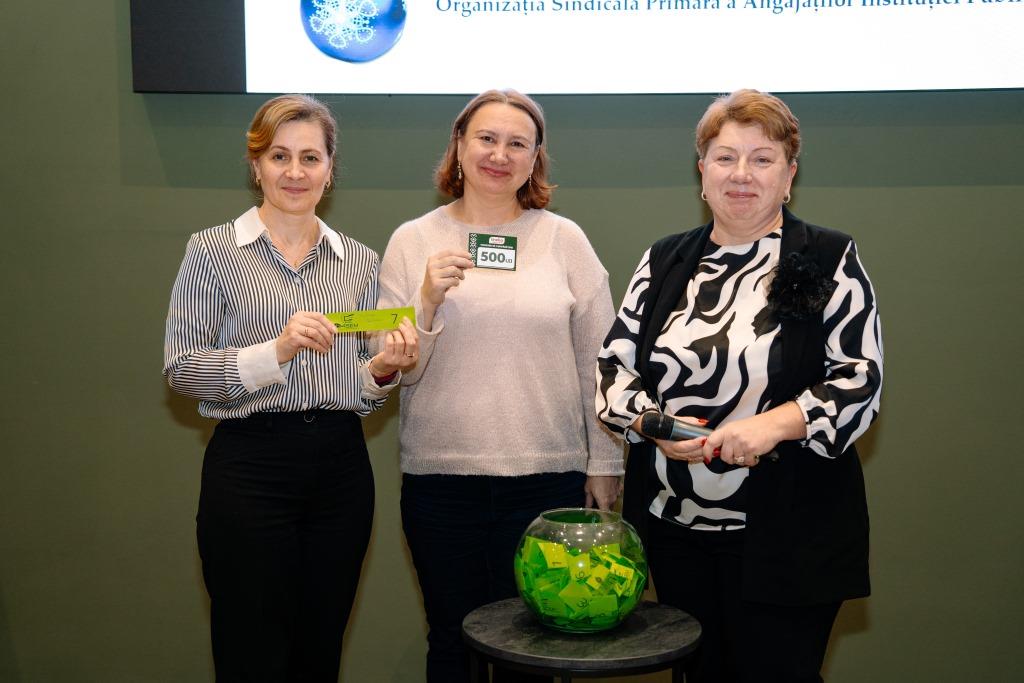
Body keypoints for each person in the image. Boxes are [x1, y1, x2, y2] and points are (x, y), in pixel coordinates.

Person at [597, 89, 883, 683]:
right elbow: (614, 370)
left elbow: (859, 381)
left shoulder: (828, 256)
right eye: (725, 158)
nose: (741, 174)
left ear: (789, 174)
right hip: (675, 530)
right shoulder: (664, 259)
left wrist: (771, 426)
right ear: (702, 171)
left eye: (762, 159)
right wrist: (653, 425)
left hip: (790, 535)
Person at [163, 94, 418, 683]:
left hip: (341, 468)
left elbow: (361, 386)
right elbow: (183, 369)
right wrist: (274, 351)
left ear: (330, 170)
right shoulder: (211, 251)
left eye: (310, 158)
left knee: (320, 648)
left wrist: (384, 370)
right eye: (279, 156)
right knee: (250, 650)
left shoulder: (360, 260)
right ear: (256, 165)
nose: (295, 172)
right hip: (250, 466)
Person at [377, 89, 623, 683]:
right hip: (441, 483)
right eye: (486, 138)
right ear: (459, 146)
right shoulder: (412, 240)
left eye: (518, 144)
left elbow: (601, 363)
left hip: (548, 479)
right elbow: (396, 369)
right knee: (451, 639)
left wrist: (606, 461)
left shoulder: (564, 240)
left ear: (535, 159)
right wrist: (426, 302)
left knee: (535, 652)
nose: (499, 154)